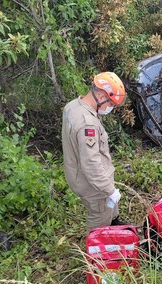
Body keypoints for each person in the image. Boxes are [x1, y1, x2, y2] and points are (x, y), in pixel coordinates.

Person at [62, 72, 126, 230]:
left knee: (110, 209)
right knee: (100, 216)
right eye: (110, 103)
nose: (110, 108)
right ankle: (96, 252)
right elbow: (91, 164)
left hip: (78, 173)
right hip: (92, 184)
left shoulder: (73, 106)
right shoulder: (87, 124)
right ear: (100, 94)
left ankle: (114, 224)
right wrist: (109, 190)